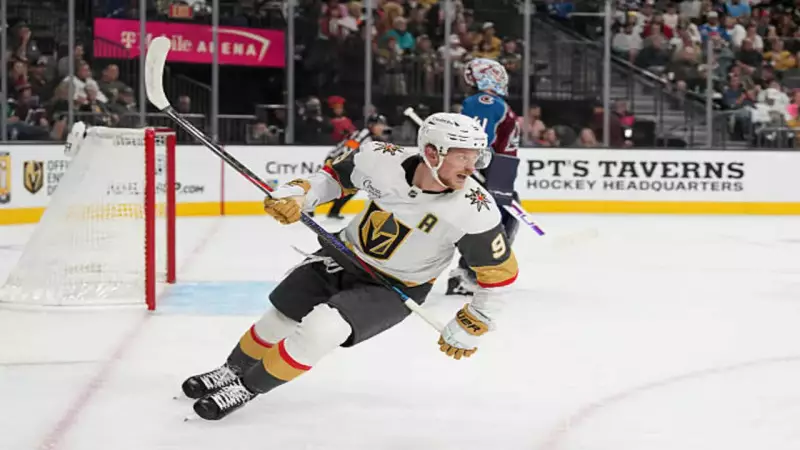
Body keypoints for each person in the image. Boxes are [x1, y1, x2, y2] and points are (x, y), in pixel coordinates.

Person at [181, 113, 519, 421]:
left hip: (393, 287)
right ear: (432, 153)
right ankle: (230, 370)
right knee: (279, 319)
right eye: (463, 156)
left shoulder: (474, 210)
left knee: (322, 330)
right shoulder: (381, 158)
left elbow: (498, 274)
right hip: (343, 256)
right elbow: (333, 179)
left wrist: (475, 319)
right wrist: (299, 195)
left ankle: (246, 388)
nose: (472, 167)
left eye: (477, 156)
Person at [447, 58, 521, 296]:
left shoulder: (492, 103)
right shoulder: (485, 102)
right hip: (488, 168)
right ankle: (469, 274)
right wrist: (476, 167)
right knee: (491, 220)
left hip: (497, 168)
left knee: (503, 217)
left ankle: (472, 272)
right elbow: (477, 138)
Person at [325, 113, 390, 219]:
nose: (382, 128)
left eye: (383, 125)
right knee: (345, 188)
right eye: (379, 125)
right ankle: (315, 207)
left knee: (350, 189)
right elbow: (348, 148)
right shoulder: (364, 135)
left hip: (344, 161)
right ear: (371, 125)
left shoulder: (373, 138)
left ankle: (333, 211)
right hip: (338, 160)